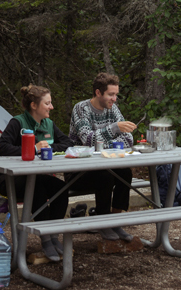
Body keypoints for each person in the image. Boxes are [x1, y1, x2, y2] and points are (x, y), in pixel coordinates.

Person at [0, 84, 73, 261]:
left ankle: (54, 236)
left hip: (37, 176)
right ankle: (45, 239)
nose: (51, 107)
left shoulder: (48, 124)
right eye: (47, 103)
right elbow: (1, 148)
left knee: (60, 188)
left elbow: (68, 143)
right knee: (36, 186)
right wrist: (32, 147)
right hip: (9, 180)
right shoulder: (18, 122)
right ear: (34, 106)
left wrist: (48, 147)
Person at [67, 72, 136, 242]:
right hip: (78, 170)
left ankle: (114, 220)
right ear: (98, 93)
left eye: (116, 94)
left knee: (125, 172)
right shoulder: (81, 109)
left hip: (105, 165)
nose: (114, 99)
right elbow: (88, 140)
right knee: (105, 176)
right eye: (111, 94)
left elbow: (128, 139)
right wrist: (113, 129)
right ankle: (103, 222)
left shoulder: (112, 108)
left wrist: (107, 141)